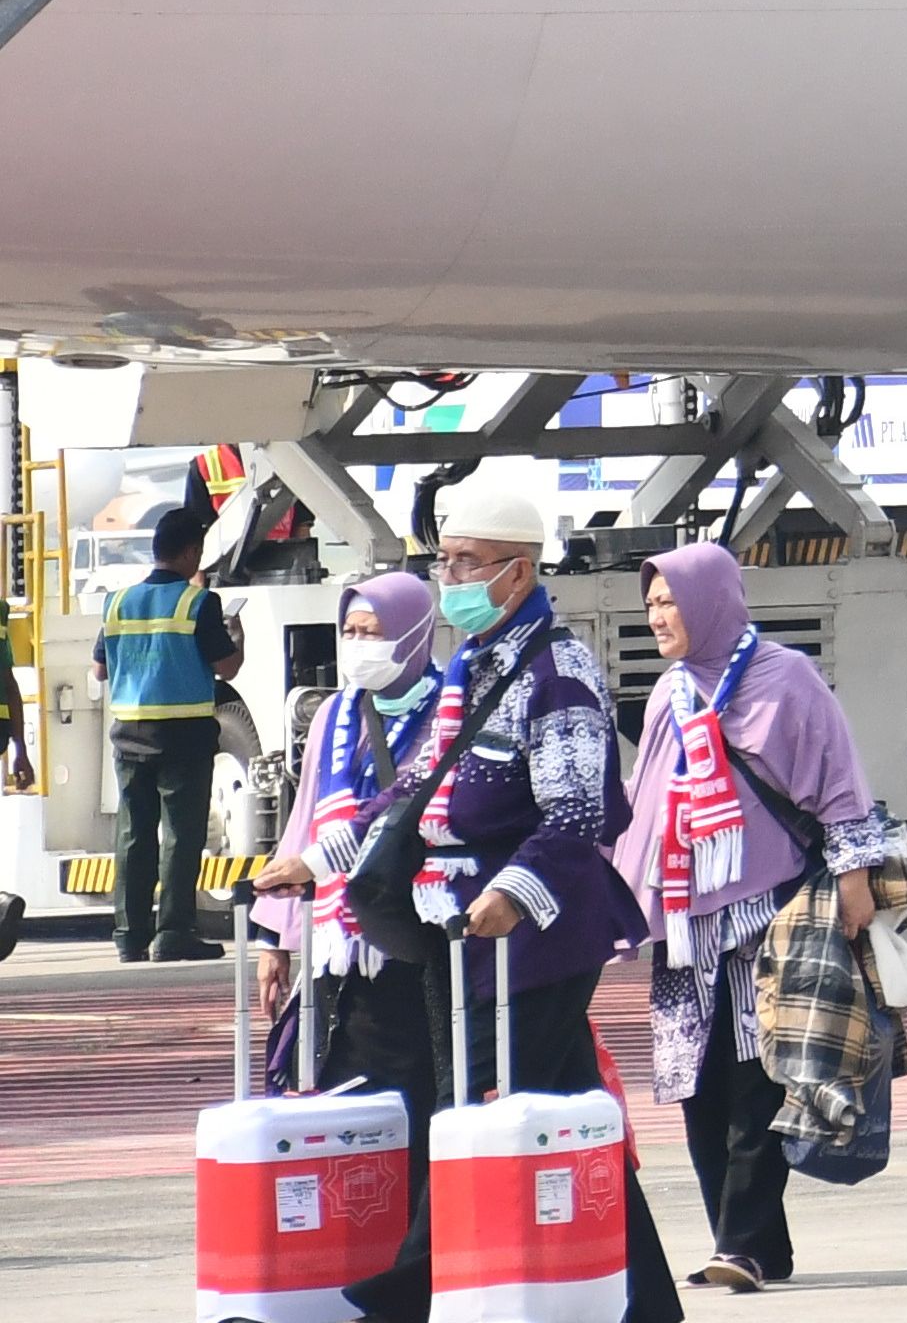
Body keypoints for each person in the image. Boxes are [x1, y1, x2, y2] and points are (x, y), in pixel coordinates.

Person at [356, 466, 684, 1321]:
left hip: (533, 935)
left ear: (520, 571)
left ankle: (404, 1299)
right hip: (463, 932)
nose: (452, 580)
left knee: (471, 1111)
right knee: (566, 1110)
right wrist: (327, 858)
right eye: (446, 561)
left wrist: (513, 889)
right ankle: (646, 1303)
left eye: (470, 563)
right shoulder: (474, 659)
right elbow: (421, 788)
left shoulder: (558, 668)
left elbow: (578, 812)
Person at [615, 543, 893, 1294]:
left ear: (710, 601)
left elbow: (840, 783)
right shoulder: (669, 692)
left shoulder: (786, 677)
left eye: (670, 601)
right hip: (683, 918)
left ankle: (741, 1241)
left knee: (753, 1080)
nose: (658, 617)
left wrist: (857, 881)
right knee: (697, 1086)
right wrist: (620, 900)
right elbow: (647, 803)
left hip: (766, 912)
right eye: (651, 605)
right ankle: (749, 1243)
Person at [242, 573, 450, 1244]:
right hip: (340, 944)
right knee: (349, 1092)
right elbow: (306, 820)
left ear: (415, 634)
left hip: (417, 937)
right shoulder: (336, 714)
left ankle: (412, 1248)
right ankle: (365, 1245)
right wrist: (276, 935)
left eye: (374, 632)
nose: (358, 647)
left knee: (417, 1093)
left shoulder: (451, 705)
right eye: (351, 632)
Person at [103, 501, 241, 961]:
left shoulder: (117, 602)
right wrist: (235, 637)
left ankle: (129, 935)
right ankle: (173, 933)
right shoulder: (199, 601)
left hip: (128, 734)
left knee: (134, 834)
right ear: (191, 552)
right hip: (182, 736)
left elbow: (100, 669)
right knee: (181, 836)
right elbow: (227, 666)